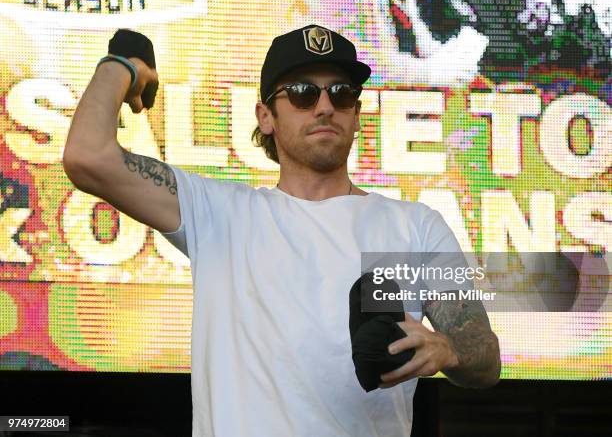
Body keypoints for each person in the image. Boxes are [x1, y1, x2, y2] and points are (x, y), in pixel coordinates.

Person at [63, 24, 501, 437]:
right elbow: (88, 156)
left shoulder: (416, 226)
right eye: (303, 93)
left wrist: (448, 348)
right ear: (266, 115)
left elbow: (484, 354)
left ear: (356, 113)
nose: (325, 105)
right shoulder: (221, 213)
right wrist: (123, 64)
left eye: (342, 93)